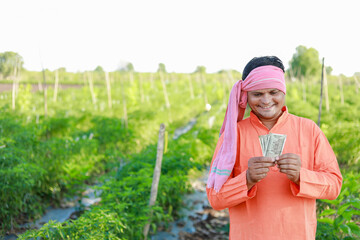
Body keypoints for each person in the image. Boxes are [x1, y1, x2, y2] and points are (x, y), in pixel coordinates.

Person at [206, 56, 342, 240]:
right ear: (246, 96)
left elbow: (334, 186)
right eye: (257, 94)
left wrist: (301, 176)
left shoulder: (309, 130)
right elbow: (215, 198)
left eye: (273, 92)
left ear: (283, 91)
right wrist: (246, 179)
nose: (266, 100)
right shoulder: (233, 136)